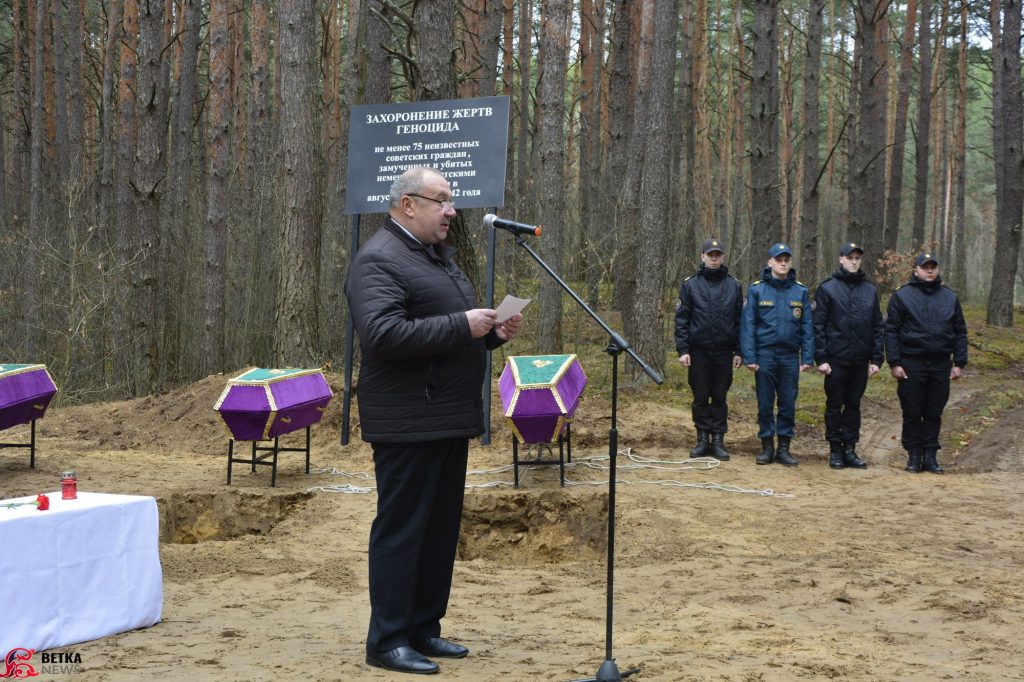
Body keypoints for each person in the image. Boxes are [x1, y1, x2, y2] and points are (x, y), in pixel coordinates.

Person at [345, 167, 523, 674]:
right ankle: (387, 639)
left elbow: (448, 335)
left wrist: (491, 334)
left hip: (445, 418)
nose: (451, 210)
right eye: (441, 200)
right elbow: (383, 335)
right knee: (403, 531)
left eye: (451, 200)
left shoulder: (436, 258)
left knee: (439, 531)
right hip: (406, 423)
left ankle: (423, 628)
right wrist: (461, 324)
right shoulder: (377, 259)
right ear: (407, 205)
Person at [884, 252, 967, 474]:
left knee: (933, 411)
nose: (929, 270)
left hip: (940, 363)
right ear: (915, 270)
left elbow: (960, 331)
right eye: (925, 267)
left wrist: (959, 362)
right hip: (912, 362)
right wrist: (894, 362)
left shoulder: (949, 297)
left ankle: (930, 456)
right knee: (912, 411)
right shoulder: (902, 296)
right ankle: (913, 455)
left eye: (933, 266)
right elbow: (890, 331)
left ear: (937, 270)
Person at [740, 242, 815, 466]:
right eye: (779, 260)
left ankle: (784, 448)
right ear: (769, 262)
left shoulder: (800, 291)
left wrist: (807, 357)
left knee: (788, 403)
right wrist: (750, 357)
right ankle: (766, 447)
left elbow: (807, 327)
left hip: (790, 356)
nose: (783, 263)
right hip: (765, 355)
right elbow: (748, 326)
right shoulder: (756, 290)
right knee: (765, 403)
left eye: (786, 260)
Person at [812, 242, 884, 469]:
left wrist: (876, 358)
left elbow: (877, 326)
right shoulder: (827, 288)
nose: (854, 261)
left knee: (853, 405)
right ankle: (835, 450)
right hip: (835, 360)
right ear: (841, 259)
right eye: (849, 257)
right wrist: (821, 359)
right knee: (834, 405)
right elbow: (818, 326)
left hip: (860, 360)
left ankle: (850, 448)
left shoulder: (870, 290)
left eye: (857, 258)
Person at [674, 239, 743, 460]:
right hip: (698, 352)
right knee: (701, 396)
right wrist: (683, 349)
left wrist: (740, 351)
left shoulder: (734, 285)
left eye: (718, 255)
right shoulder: (690, 285)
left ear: (723, 257)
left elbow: (741, 322)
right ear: (703, 256)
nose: (714, 258)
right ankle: (703, 439)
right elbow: (682, 320)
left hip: (724, 352)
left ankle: (719, 441)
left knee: (720, 397)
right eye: (710, 254)